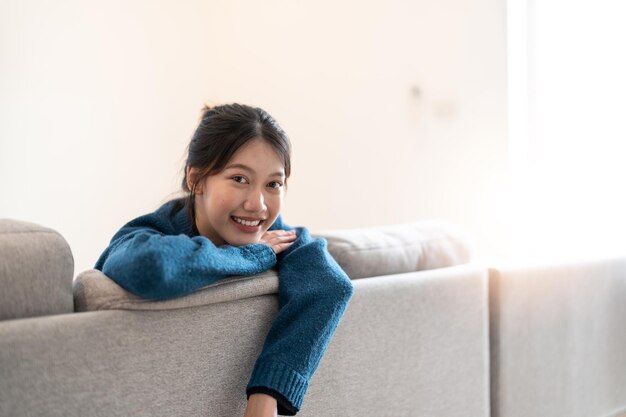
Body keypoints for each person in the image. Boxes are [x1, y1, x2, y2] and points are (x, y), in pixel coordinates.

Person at [94, 103, 355, 417]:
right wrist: (253, 254)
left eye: (273, 184)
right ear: (197, 179)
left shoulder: (279, 237)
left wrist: (266, 393)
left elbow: (330, 286)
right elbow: (151, 268)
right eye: (240, 179)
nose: (257, 205)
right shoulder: (148, 234)